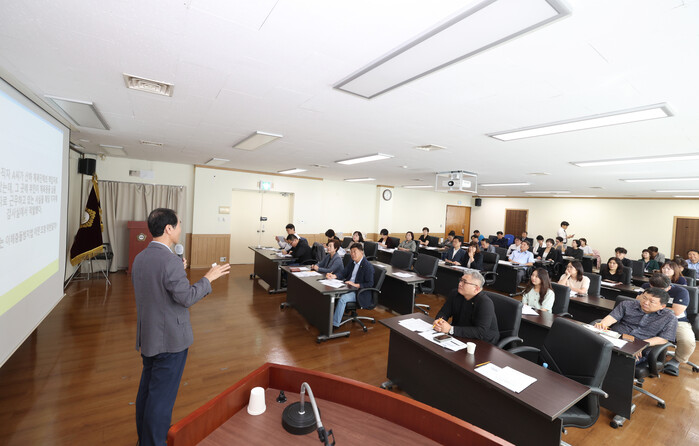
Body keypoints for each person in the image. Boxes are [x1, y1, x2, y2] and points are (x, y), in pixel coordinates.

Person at [133, 208, 231, 446]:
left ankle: (144, 439)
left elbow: (157, 290)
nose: (180, 228)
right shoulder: (169, 261)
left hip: (149, 336)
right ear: (168, 229)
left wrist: (178, 269)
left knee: (147, 392)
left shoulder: (141, 257)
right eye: (178, 224)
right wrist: (208, 278)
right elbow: (186, 297)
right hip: (170, 341)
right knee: (161, 400)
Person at [595, 288, 677, 361]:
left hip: (640, 346)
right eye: (644, 298)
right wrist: (602, 324)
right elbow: (612, 317)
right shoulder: (627, 304)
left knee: (619, 360)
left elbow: (664, 338)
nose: (645, 302)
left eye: (651, 302)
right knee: (594, 348)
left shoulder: (669, 317)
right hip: (616, 338)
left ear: (662, 306)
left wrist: (640, 345)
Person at [641, 273, 694, 375]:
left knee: (687, 341)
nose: (657, 292)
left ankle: (677, 360)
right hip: (649, 317)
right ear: (651, 285)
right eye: (654, 289)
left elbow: (676, 311)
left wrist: (653, 307)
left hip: (677, 321)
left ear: (669, 287)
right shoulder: (645, 287)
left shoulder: (681, 292)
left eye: (661, 290)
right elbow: (638, 301)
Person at [433, 270, 499, 344]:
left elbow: (481, 332)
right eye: (461, 280)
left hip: (483, 342)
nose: (460, 284)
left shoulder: (485, 303)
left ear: (476, 289)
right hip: (460, 335)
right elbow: (444, 312)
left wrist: (451, 329)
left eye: (464, 282)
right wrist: (439, 321)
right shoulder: (455, 294)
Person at [328, 243, 374, 328]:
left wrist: (355, 284)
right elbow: (344, 273)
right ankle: (330, 317)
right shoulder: (352, 262)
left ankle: (334, 324)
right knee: (332, 293)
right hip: (348, 287)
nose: (352, 254)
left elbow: (370, 283)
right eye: (351, 252)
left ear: (361, 252)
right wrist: (334, 276)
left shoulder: (368, 266)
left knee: (343, 298)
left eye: (354, 252)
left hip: (359, 291)